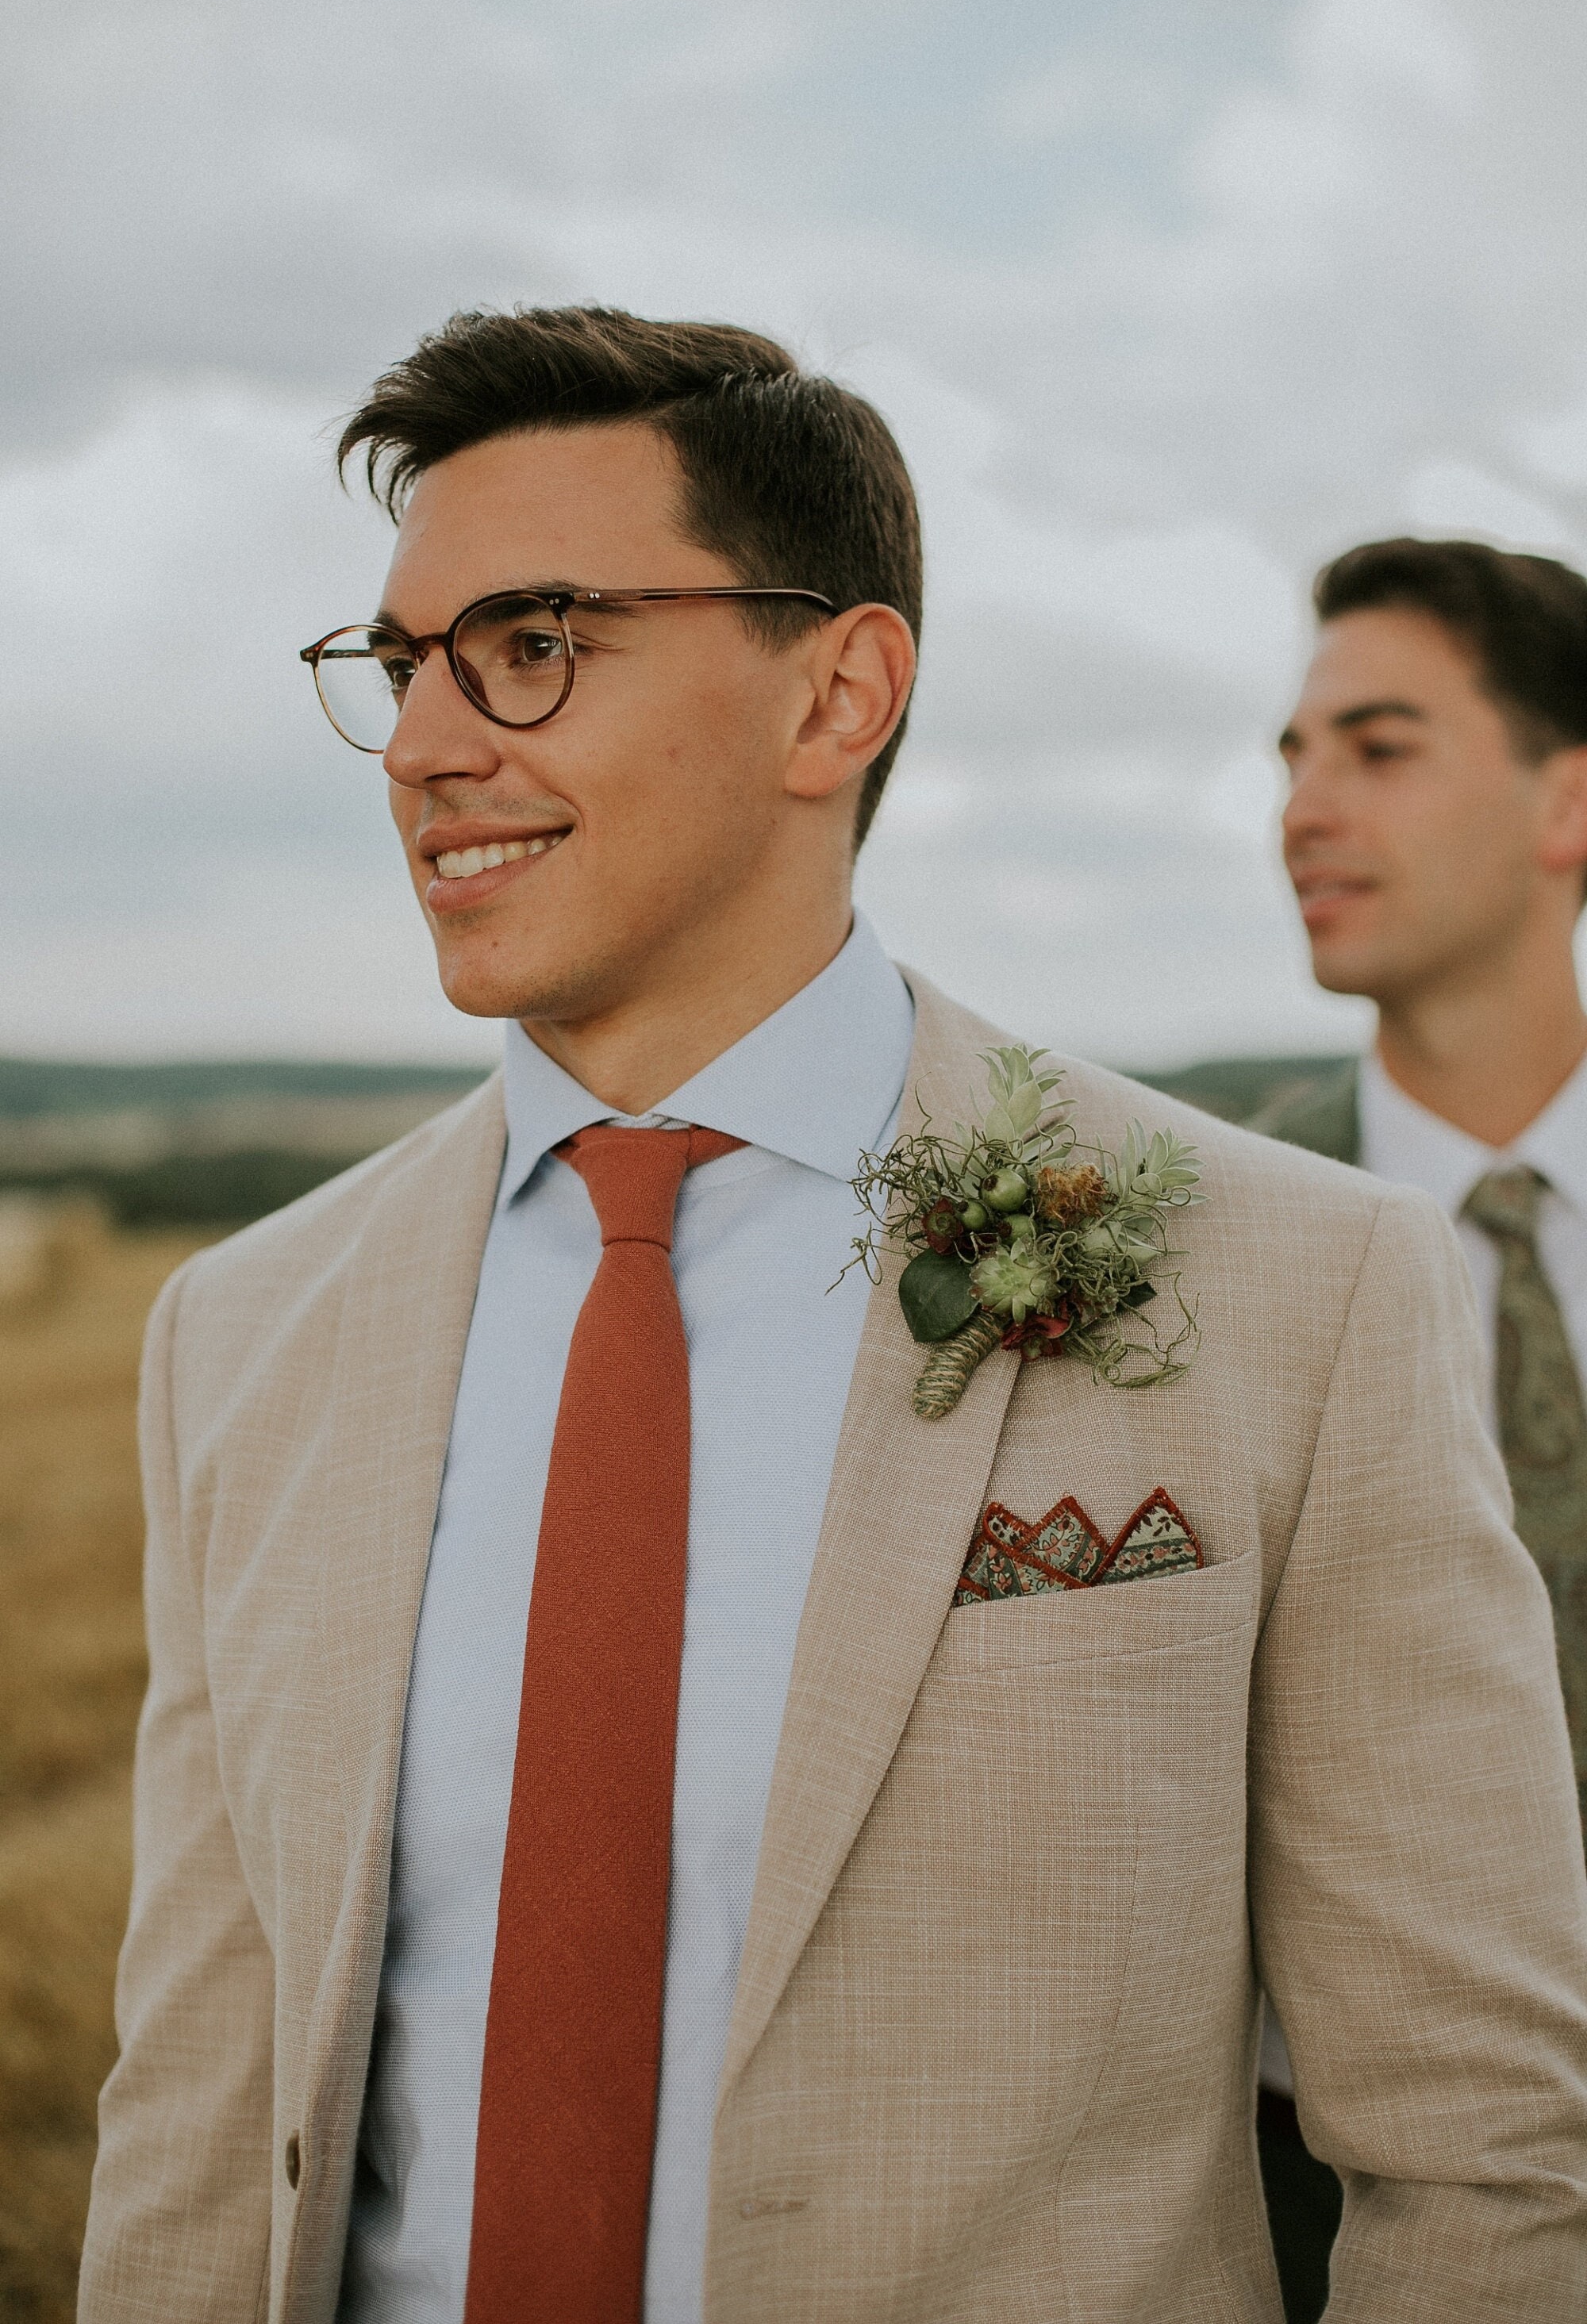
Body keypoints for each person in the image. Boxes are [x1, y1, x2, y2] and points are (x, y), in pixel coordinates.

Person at [79, 317, 1587, 2324]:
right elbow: (193, 2119)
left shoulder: (1301, 1290)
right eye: (400, 665)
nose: (431, 745)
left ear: (838, 692)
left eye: (532, 642)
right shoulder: (238, 1337)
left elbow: (1482, 2155)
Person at [1252, 535, 1587, 2322]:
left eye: (1375, 749)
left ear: (1568, 806)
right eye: (1291, 760)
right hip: (1317, 2199)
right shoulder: (1184, 1249)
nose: (1305, 806)